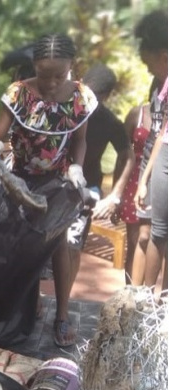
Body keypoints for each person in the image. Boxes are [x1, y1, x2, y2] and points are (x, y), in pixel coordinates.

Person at [0, 33, 98, 347]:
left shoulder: (80, 96)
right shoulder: (20, 93)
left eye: (58, 75)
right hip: (19, 179)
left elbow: (80, 139)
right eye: (44, 75)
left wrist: (77, 166)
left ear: (71, 67)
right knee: (17, 245)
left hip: (58, 181)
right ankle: (16, 310)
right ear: (34, 66)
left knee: (57, 242)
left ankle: (61, 315)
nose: (50, 83)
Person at [79, 63, 135, 283]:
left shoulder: (109, 121)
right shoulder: (64, 108)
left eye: (95, 96)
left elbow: (127, 155)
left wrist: (115, 195)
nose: (89, 100)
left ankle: (62, 308)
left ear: (106, 96)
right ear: (80, 83)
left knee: (72, 247)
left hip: (87, 188)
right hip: (56, 184)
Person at [130, 10, 168, 290]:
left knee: (159, 233)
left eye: (149, 63)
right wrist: (143, 177)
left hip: (162, 159)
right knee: (145, 232)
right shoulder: (158, 84)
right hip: (151, 160)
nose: (147, 69)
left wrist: (144, 180)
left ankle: (155, 298)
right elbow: (155, 131)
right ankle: (136, 292)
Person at [94, 102, 150, 282]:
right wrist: (115, 195)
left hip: (162, 181)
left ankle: (156, 297)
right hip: (135, 183)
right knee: (136, 243)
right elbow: (123, 155)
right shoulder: (137, 113)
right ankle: (130, 295)